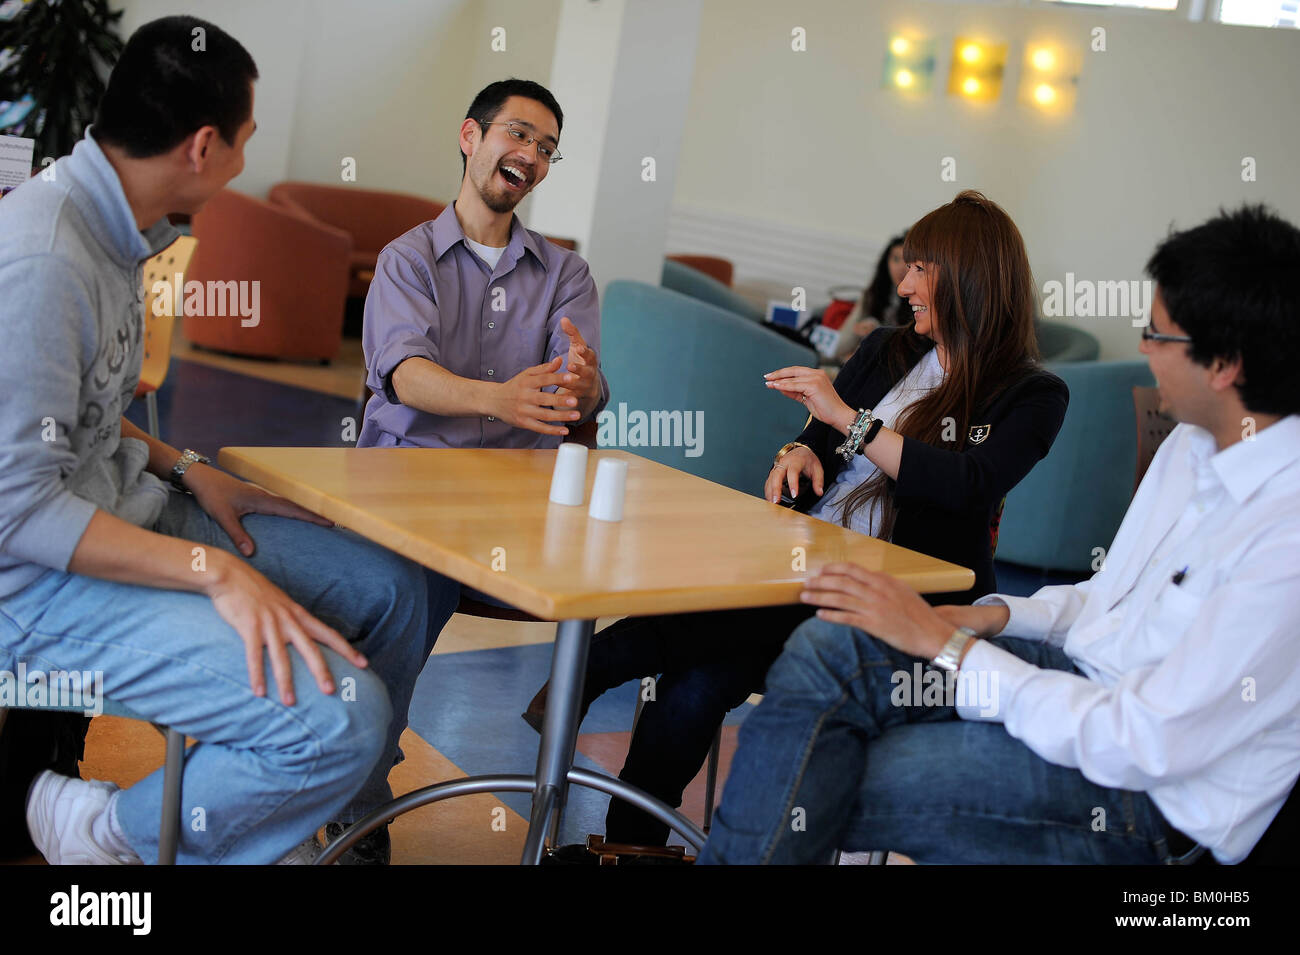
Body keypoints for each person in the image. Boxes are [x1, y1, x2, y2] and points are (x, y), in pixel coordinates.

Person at [698, 204, 1300, 866]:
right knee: (831, 645)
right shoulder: (1192, 443)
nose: (1144, 351)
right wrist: (991, 615)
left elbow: (1142, 740)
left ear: (1224, 365)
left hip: (1141, 793)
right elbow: (1106, 600)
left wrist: (950, 646)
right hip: (1078, 676)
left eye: (1158, 336)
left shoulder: (1283, 535)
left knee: (814, 772)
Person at [0, 16, 459, 865]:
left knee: (390, 589)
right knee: (343, 716)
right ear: (204, 146)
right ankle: (106, 836)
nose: (247, 160)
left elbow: (77, 412)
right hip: (35, 592)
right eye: (246, 141)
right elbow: (17, 515)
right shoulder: (45, 259)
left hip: (130, 511)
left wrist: (188, 466)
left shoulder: (118, 228)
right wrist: (217, 570)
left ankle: (312, 814)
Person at [524, 191, 1069, 848]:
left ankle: (598, 662)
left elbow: (967, 484)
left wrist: (849, 419)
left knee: (701, 653)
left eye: (921, 268)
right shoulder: (889, 348)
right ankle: (633, 851)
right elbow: (821, 430)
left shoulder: (1032, 393)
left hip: (895, 606)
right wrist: (800, 449)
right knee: (695, 687)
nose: (904, 283)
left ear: (968, 276)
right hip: (801, 569)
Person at [358, 78, 608, 450]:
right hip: (412, 467)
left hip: (519, 481)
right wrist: (497, 399)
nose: (530, 156)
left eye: (544, 149)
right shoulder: (407, 260)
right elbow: (405, 376)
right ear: (470, 136)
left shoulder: (568, 275)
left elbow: (575, 400)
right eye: (518, 133)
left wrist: (583, 386)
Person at [833, 232, 910, 362]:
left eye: (907, 261)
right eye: (895, 259)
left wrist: (877, 333)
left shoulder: (920, 301)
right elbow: (841, 343)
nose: (900, 268)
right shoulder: (874, 292)